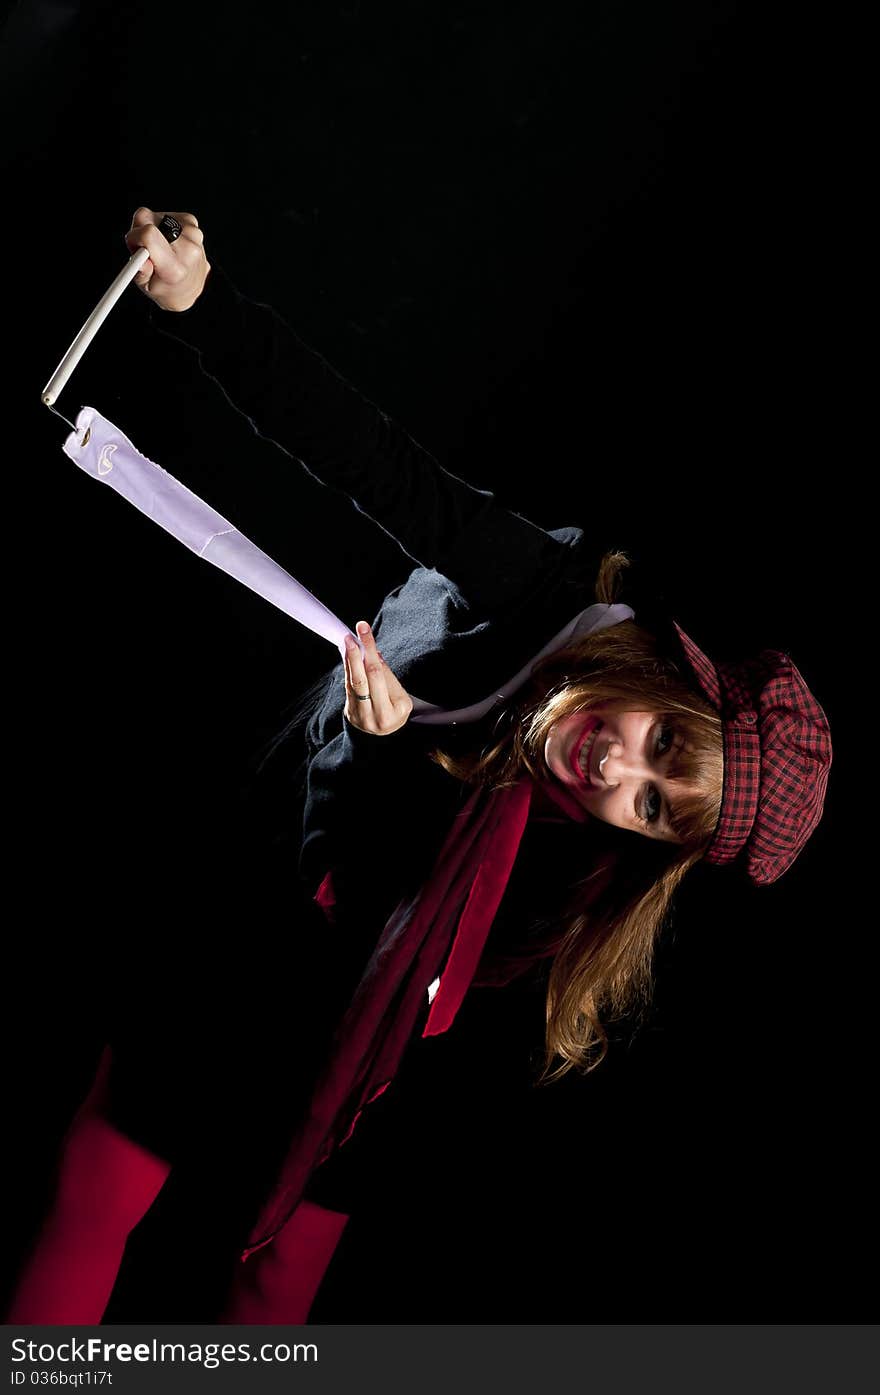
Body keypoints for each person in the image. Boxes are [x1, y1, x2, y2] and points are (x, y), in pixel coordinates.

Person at [7, 207, 833, 1324]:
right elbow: (380, 466)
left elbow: (395, 934)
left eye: (650, 804)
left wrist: (397, 761)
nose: (616, 771)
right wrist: (207, 309)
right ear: (675, 683)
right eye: (663, 742)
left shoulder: (573, 886)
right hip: (274, 906)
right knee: (105, 1174)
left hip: (381, 1033)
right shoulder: (553, 605)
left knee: (278, 1280)